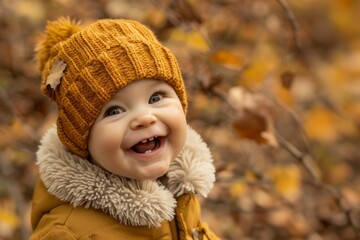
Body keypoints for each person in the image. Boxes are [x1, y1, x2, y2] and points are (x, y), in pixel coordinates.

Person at [29, 17, 219, 240]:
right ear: (81, 140)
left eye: (156, 97)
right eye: (114, 111)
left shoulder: (180, 192)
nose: (144, 117)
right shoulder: (69, 234)